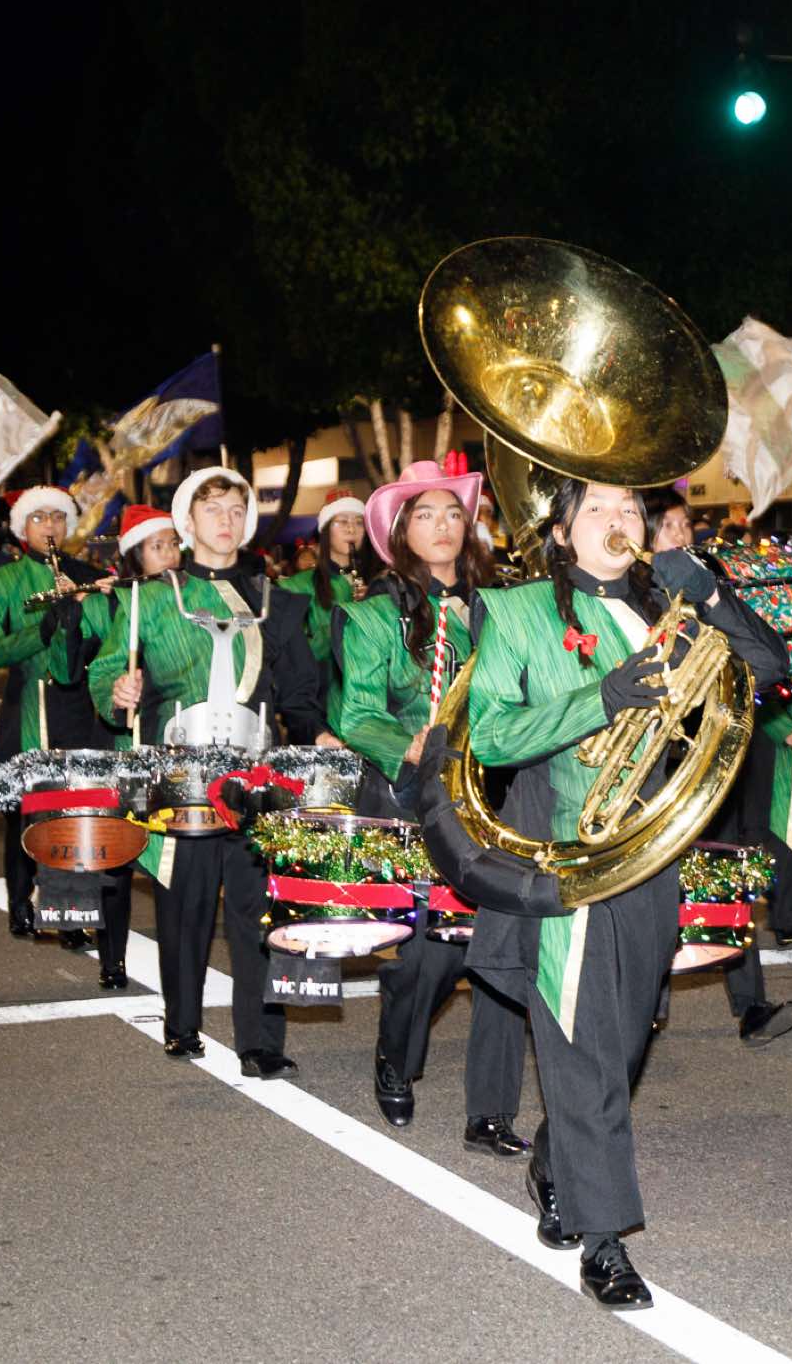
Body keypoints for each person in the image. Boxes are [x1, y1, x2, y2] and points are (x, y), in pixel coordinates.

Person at [460, 478, 787, 1309]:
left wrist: (709, 592)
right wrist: (597, 698)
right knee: (585, 1044)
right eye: (599, 508)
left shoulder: (666, 609)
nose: (620, 520)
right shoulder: (515, 609)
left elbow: (767, 667)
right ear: (562, 531)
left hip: (651, 854)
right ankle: (604, 1243)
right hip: (563, 857)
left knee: (627, 1040)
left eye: (631, 509)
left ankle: (557, 1159)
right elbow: (491, 734)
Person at [88, 467, 333, 1073]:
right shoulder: (148, 599)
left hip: (257, 778)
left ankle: (261, 1043)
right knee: (184, 905)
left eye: (235, 509)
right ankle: (182, 1025)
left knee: (257, 908)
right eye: (212, 509)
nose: (226, 520)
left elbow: (300, 694)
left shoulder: (277, 601)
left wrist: (320, 734)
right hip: (179, 776)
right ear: (187, 522)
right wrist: (118, 690)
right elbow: (108, 669)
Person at [331, 460, 531, 1150]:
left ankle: (488, 1107)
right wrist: (409, 744)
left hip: (493, 793)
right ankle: (396, 1057)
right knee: (421, 954)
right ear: (399, 531)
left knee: (485, 944)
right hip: (410, 796)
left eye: (453, 513)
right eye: (425, 514)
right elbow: (356, 713)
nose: (443, 525)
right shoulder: (369, 616)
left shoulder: (501, 607)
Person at [646, 486, 792, 1045]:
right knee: (654, 883)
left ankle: (751, 1006)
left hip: (710, 761)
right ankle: (648, 1007)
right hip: (654, 770)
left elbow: (772, 660)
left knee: (724, 875)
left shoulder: (704, 590)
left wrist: (711, 594)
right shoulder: (631, 598)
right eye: (667, 527)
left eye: (685, 525)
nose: (681, 536)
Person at [0, 486, 109, 946]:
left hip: (79, 705)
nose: (49, 525)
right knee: (25, 812)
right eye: (38, 518)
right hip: (30, 705)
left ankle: (70, 914)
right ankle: (20, 902)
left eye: (57, 517)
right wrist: (45, 625)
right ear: (22, 527)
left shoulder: (88, 575)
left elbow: (108, 637)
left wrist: (93, 606)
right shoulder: (0, 580)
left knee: (76, 810)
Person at [74, 503, 186, 989]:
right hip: (120, 741)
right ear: (135, 555)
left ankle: (179, 969)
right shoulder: (113, 600)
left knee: (173, 856)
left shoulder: (193, 597)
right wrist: (73, 610)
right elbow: (87, 667)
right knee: (116, 857)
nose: (169, 554)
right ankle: (112, 957)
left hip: (173, 743)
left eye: (173, 543)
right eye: (157, 546)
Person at [278, 487, 373, 686]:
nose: (351, 529)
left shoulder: (376, 583)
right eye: (342, 521)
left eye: (359, 522)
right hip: (319, 691)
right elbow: (291, 651)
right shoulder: (299, 585)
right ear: (326, 530)